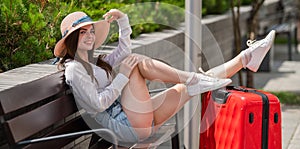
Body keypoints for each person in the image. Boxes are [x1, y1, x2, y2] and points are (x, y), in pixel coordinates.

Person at [54, 9, 275, 144]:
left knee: (187, 88)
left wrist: (123, 20)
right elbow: (98, 105)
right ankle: (192, 77)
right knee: (138, 62)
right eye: (83, 32)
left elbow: (123, 50)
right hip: (122, 125)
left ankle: (245, 59)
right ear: (72, 38)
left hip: (132, 119)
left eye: (91, 31)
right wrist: (122, 77)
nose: (90, 36)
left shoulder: (94, 62)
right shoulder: (75, 69)